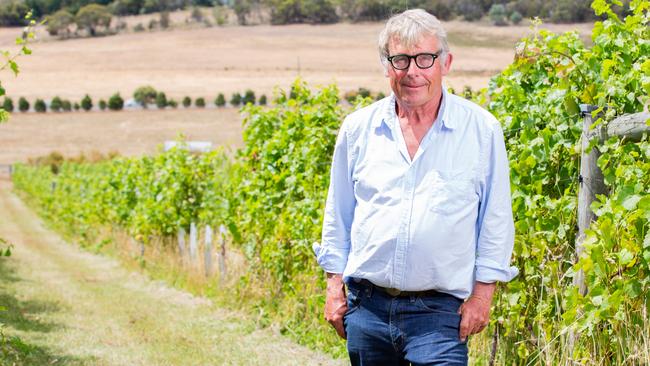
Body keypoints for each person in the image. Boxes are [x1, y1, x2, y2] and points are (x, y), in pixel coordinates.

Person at [312, 9, 518, 365]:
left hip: (440, 314)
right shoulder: (358, 129)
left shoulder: (481, 131)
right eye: (401, 60)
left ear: (445, 62)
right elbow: (339, 215)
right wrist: (334, 288)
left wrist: (483, 297)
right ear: (386, 66)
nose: (413, 72)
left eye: (425, 59)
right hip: (368, 308)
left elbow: (495, 220)